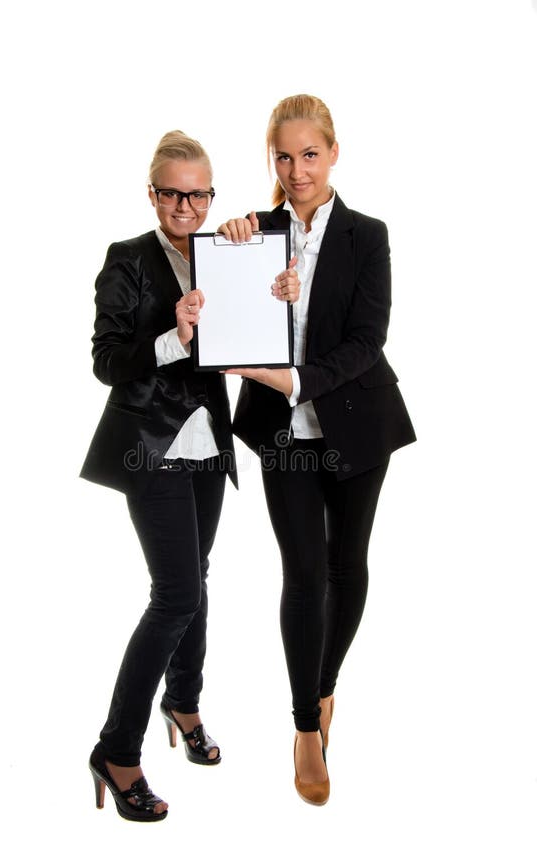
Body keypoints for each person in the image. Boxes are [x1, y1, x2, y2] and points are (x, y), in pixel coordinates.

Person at [80, 130, 298, 822]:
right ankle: (117, 751)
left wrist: (261, 252)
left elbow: (284, 236)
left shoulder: (224, 250)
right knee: (175, 594)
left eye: (198, 193)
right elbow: (107, 362)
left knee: (196, 579)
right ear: (153, 195)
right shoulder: (127, 261)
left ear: (210, 195)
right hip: (151, 444)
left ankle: (184, 703)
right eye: (172, 193)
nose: (185, 204)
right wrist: (173, 334)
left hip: (208, 443)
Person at [218, 94, 416, 806]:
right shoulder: (253, 234)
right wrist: (231, 251)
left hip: (358, 424)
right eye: (283, 156)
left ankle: (325, 687)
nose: (296, 169)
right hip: (282, 432)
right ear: (270, 160)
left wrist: (301, 378)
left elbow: (368, 341)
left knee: (346, 565)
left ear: (333, 153)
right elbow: (230, 319)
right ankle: (307, 727)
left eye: (309, 153)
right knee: (302, 575)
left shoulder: (368, 235)